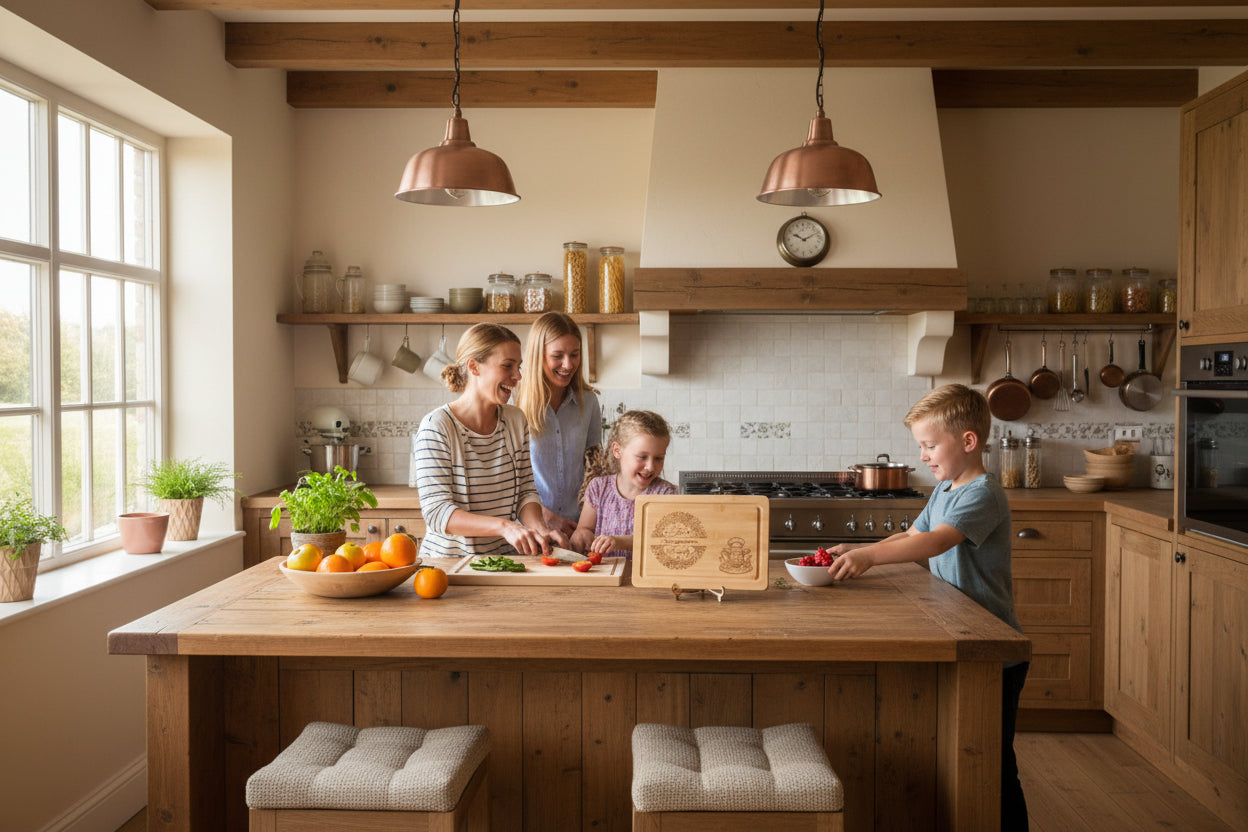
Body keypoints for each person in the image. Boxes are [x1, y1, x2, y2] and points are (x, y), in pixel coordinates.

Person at [825, 383, 1029, 831]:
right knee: (961, 749)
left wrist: (869, 558)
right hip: (957, 631)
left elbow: (935, 543)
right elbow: (913, 536)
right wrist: (860, 549)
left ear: (968, 441)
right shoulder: (946, 487)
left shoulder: (982, 493)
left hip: (992, 647)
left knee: (993, 764)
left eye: (929, 445)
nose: (922, 456)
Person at [410, 323, 567, 560]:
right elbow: (438, 512)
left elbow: (525, 492)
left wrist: (539, 529)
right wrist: (505, 527)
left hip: (503, 562)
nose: (517, 377)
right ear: (473, 366)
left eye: (518, 367)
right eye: (507, 366)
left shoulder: (515, 420)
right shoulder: (437, 426)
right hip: (448, 568)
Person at [517, 311, 602, 537]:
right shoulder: (515, 403)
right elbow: (506, 477)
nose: (568, 364)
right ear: (538, 355)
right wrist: (544, 516)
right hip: (529, 531)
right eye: (558, 355)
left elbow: (595, 471)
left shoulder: (589, 402)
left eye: (575, 354)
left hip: (577, 528)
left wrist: (586, 525)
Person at [569, 410, 676, 558]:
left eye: (658, 458)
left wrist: (618, 541)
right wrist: (581, 536)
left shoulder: (666, 494)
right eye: (642, 457)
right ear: (617, 451)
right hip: (605, 577)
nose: (650, 466)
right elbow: (585, 529)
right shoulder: (598, 488)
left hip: (645, 578)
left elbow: (661, 541)